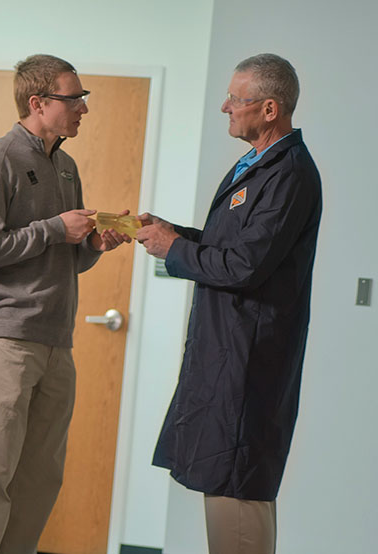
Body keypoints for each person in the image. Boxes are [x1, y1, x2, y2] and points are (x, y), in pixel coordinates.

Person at [135, 53, 320, 554]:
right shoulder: (257, 167)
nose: (225, 107)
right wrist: (173, 233)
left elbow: (244, 266)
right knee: (225, 491)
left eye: (235, 100)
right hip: (227, 354)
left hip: (247, 361)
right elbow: (230, 246)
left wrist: (173, 250)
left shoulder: (289, 175)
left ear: (268, 109)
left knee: (237, 494)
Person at [0, 54, 130, 554]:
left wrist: (91, 246)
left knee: (39, 479)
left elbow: (63, 260)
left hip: (57, 342)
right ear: (38, 103)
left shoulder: (66, 167)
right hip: (5, 339)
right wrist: (55, 229)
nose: (83, 109)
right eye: (74, 99)